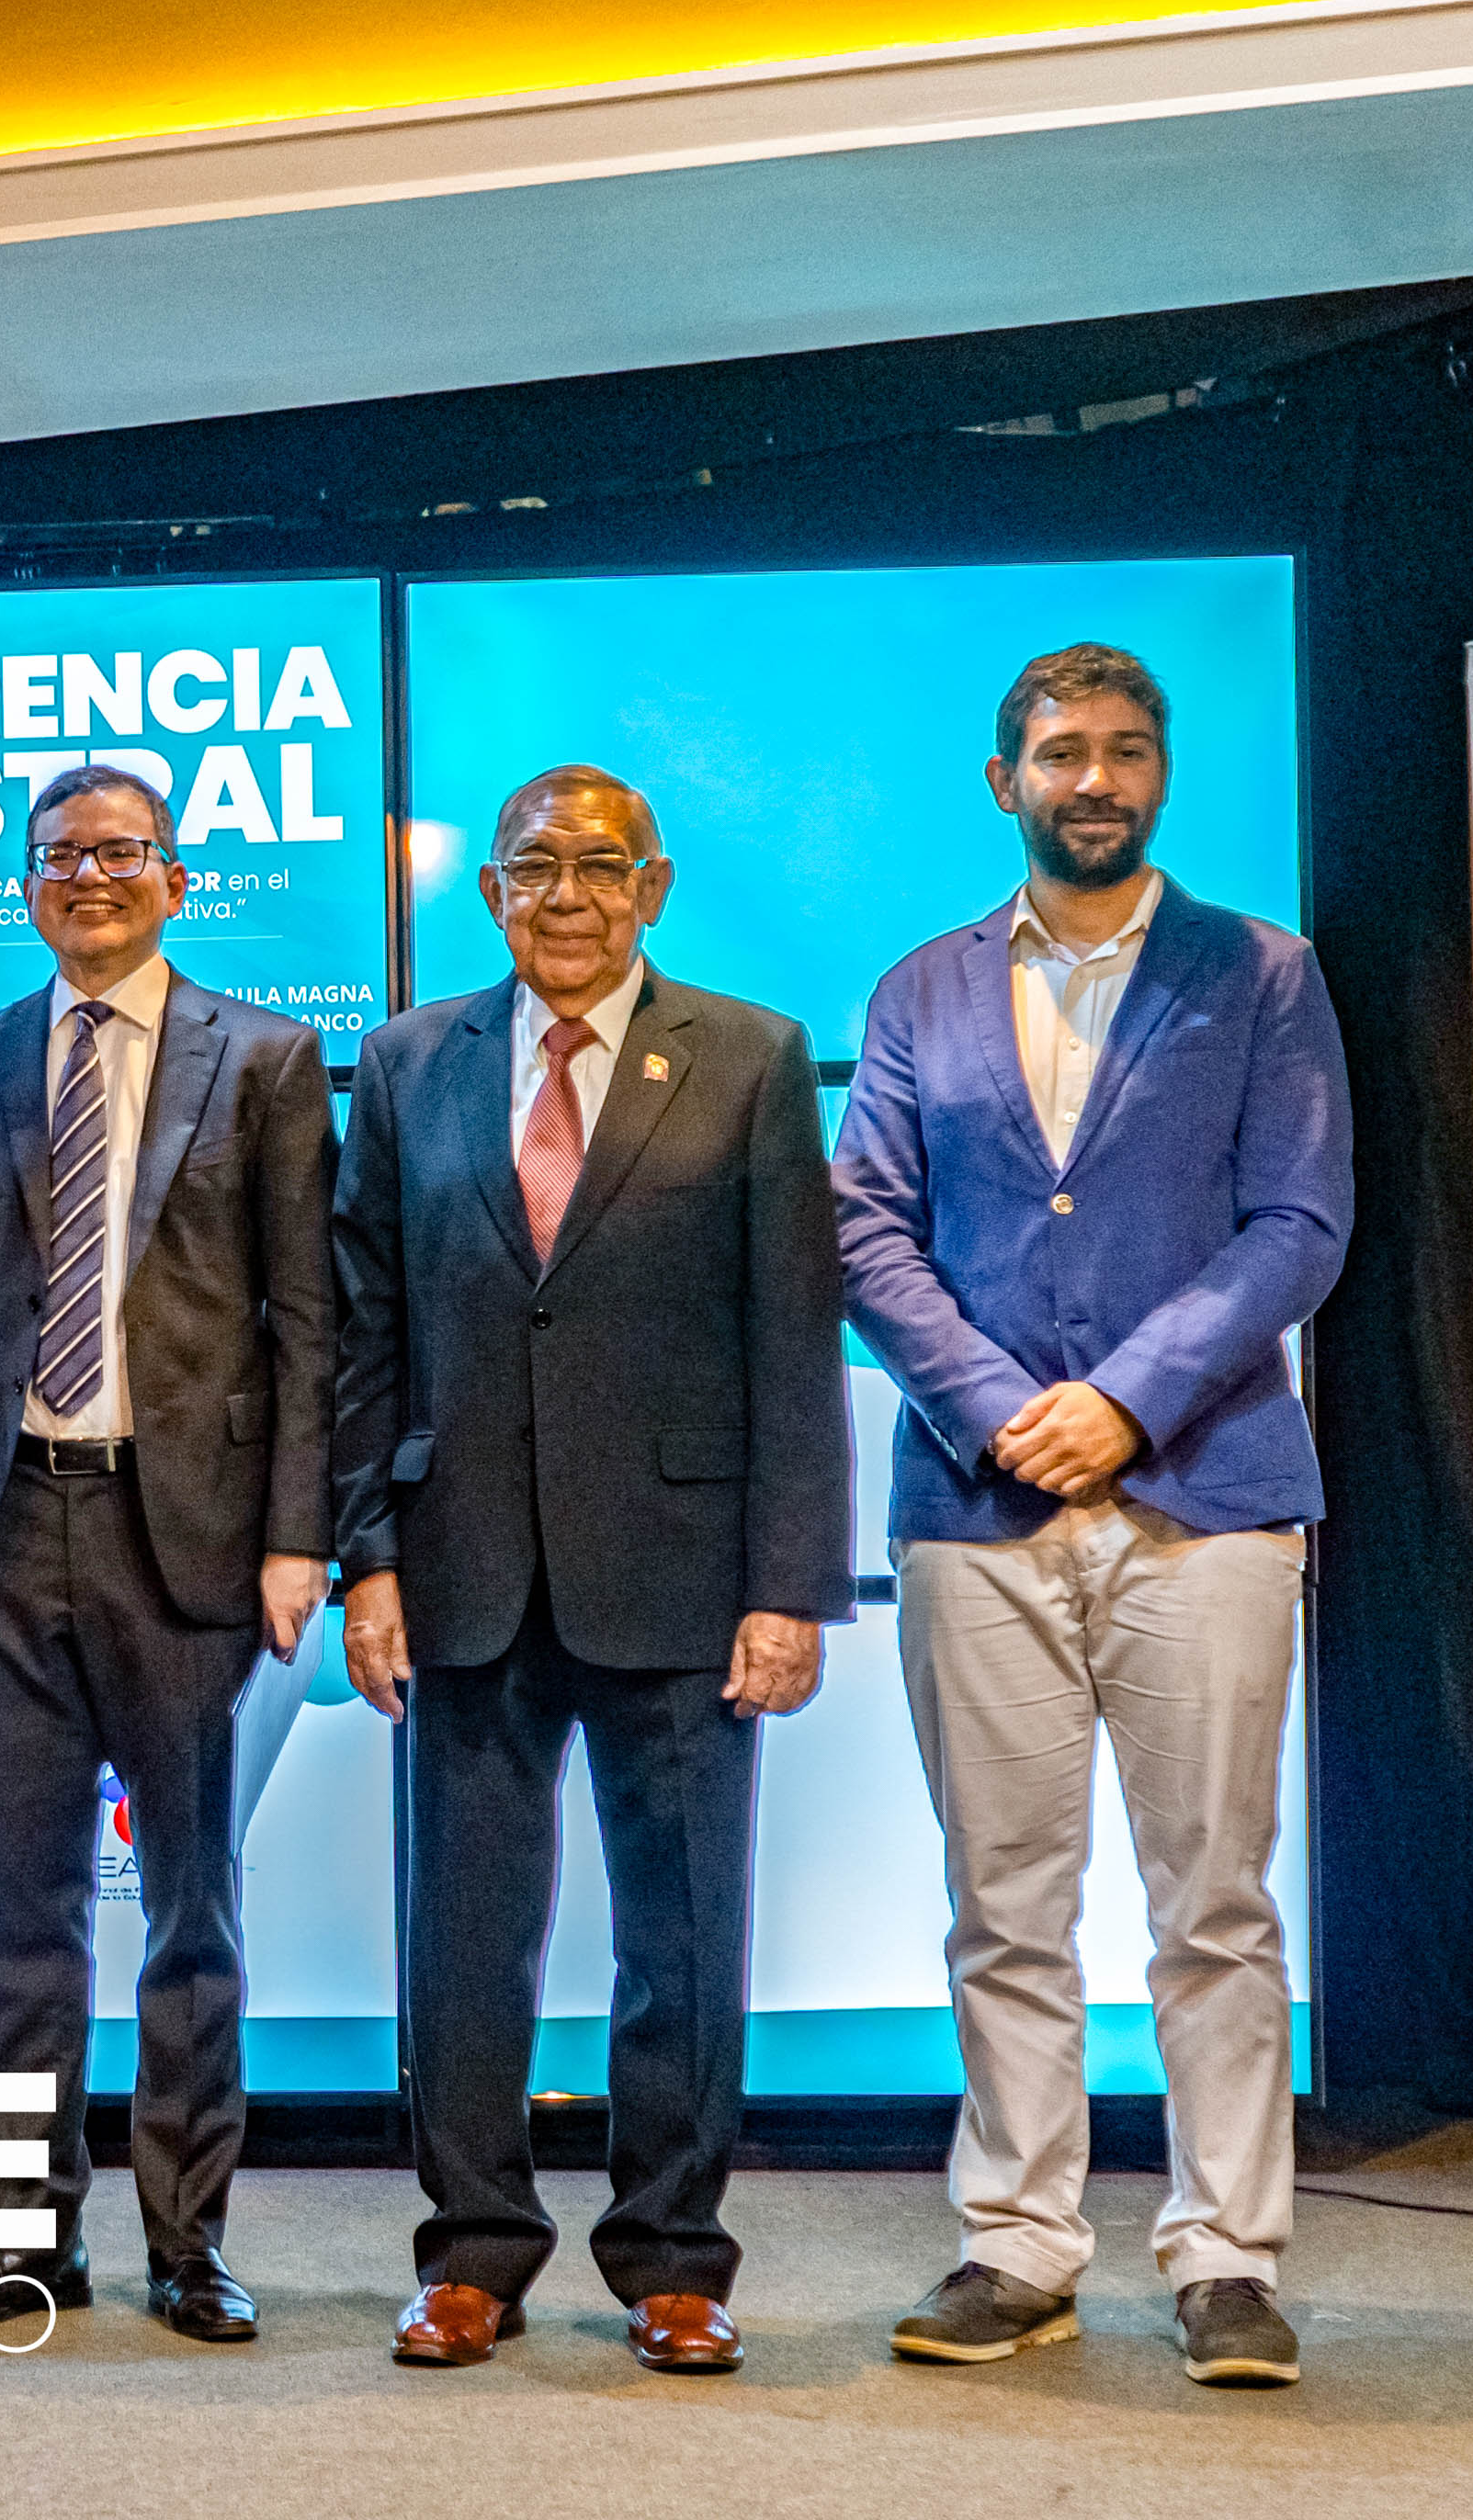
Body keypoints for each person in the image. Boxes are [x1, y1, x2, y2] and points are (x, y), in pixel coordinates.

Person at [833, 642, 1353, 2390]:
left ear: (1161, 773)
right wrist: (999, 1411)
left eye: (1127, 750)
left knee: (1213, 1901)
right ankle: (1019, 2245)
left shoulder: (1260, 973)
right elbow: (865, 1233)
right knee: (1004, 1900)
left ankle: (1225, 2256)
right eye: (1061, 752)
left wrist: (1126, 1398)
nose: (1094, 780)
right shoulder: (918, 991)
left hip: (1205, 1503)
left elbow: (1296, 1223)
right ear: (1005, 780)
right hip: (978, 1510)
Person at [331, 763, 846, 2379]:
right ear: (488, 891)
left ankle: (674, 2259)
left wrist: (790, 1585)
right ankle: (470, 2253)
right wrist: (366, 1558)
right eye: (532, 867)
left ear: (654, 887)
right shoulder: (411, 1059)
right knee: (464, 1940)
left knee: (682, 1935)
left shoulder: (751, 1057)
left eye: (598, 867)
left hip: (687, 1577)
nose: (564, 895)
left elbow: (793, 1337)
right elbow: (362, 1331)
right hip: (460, 1566)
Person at [0, 763, 335, 2346]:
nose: (89, 879)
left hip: (194, 1541)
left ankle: (187, 2241)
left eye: (119, 855)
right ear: (25, 885)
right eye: (59, 858)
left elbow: (308, 1321)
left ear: (174, 878)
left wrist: (299, 1537)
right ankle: (20, 2243)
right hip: (8, 1532)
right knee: (15, 1923)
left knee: (191, 1918)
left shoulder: (269, 1060)